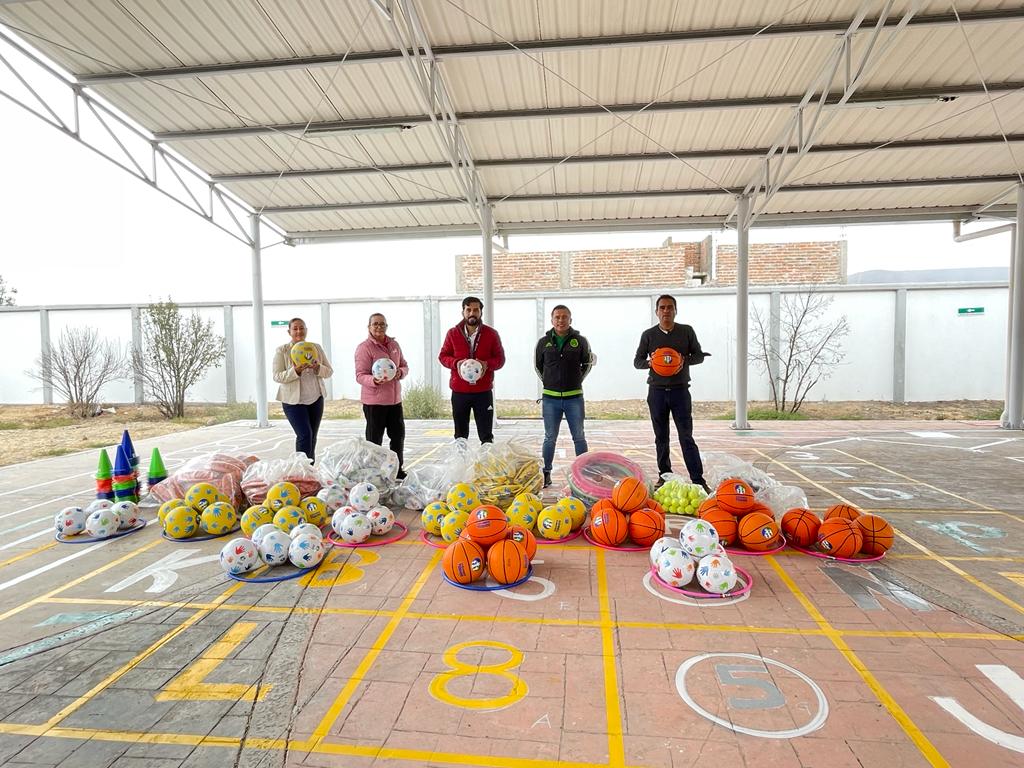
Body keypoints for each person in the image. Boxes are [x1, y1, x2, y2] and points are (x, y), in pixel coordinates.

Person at [633, 294, 710, 491]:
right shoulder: (648, 335)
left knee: (686, 436)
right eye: (662, 308)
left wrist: (683, 360)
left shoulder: (686, 332)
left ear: (676, 310)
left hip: (680, 391)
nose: (666, 311)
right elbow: (637, 362)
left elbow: (699, 356)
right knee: (661, 437)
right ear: (657, 312)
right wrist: (651, 362)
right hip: (657, 392)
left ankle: (698, 479)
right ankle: (664, 476)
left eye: (670, 307)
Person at [535, 304, 593, 488]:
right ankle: (546, 473)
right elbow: (538, 366)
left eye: (564, 317)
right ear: (552, 320)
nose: (561, 320)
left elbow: (587, 363)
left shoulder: (580, 341)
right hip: (550, 399)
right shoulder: (543, 342)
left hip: (574, 397)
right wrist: (549, 382)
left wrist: (576, 381)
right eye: (557, 317)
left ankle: (583, 475)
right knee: (549, 437)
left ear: (570, 320)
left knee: (579, 436)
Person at [438, 295, 505, 443]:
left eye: (475, 310)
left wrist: (486, 364)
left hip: (483, 392)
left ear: (481, 312)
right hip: (459, 392)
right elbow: (443, 356)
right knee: (460, 435)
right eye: (468, 310)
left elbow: (500, 360)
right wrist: (457, 363)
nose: (472, 313)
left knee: (486, 435)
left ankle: (487, 464)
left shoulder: (491, 334)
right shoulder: (452, 333)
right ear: (463, 312)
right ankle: (461, 463)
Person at [354, 312, 410, 479]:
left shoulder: (394, 345)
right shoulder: (364, 348)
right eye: (375, 324)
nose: (379, 327)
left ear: (387, 326)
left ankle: (397, 471)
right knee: (374, 440)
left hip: (394, 401)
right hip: (374, 403)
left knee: (398, 436)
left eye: (382, 324)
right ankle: (373, 472)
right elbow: (360, 375)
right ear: (369, 327)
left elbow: (404, 365)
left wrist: (400, 372)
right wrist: (374, 380)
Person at [273, 317, 333, 462]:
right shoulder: (282, 350)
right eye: (295, 328)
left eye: (302, 328)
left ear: (306, 330)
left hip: (315, 399)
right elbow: (277, 376)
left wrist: (318, 367)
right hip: (293, 402)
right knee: (304, 435)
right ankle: (301, 471)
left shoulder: (316, 348)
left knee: (312, 436)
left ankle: (309, 471)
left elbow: (329, 371)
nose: (299, 331)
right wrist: (295, 371)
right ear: (289, 332)